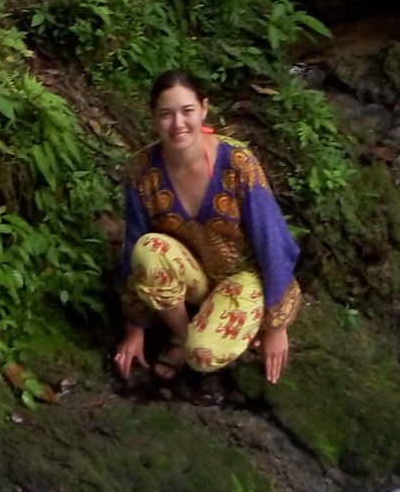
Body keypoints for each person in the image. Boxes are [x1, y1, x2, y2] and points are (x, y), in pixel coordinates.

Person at [111, 70, 302, 386]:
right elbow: (133, 247)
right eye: (166, 114)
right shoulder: (141, 170)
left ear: (203, 109)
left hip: (242, 278)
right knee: (147, 249)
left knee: (202, 356)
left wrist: (276, 325)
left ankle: (196, 339)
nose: (178, 124)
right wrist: (135, 329)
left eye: (187, 111)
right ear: (153, 118)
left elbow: (272, 240)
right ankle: (183, 333)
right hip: (192, 279)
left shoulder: (237, 162)